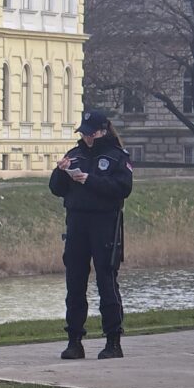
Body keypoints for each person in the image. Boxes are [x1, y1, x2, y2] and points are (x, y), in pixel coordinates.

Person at [49, 109, 133, 360]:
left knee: (106, 281)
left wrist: (90, 180)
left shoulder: (117, 157)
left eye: (91, 134)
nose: (87, 138)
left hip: (104, 224)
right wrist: (60, 172)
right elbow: (57, 189)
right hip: (77, 224)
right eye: (84, 134)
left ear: (103, 131)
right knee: (75, 284)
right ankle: (74, 340)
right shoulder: (74, 155)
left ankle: (113, 341)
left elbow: (123, 188)